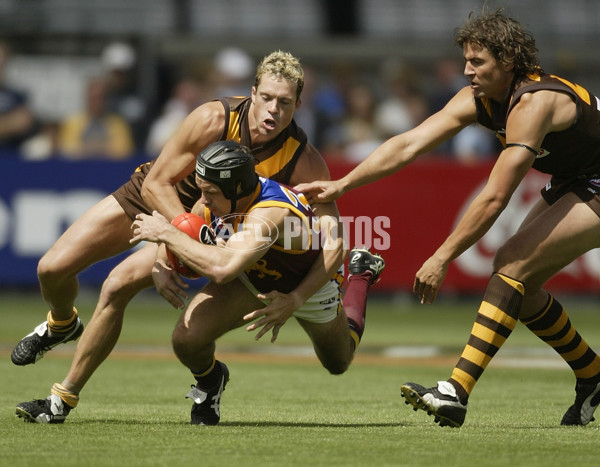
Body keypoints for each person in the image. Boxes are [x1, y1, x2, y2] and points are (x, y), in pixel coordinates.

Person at [13, 50, 385, 423]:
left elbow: (333, 240)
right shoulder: (213, 118)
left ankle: (64, 399)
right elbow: (158, 181)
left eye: (285, 103)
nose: (273, 110)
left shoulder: (302, 161)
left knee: (119, 284)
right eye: (267, 98)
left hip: (224, 230)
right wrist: (169, 246)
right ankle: (62, 325)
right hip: (167, 200)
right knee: (52, 268)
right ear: (252, 92)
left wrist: (294, 295)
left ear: (298, 104)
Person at [296, 9, 600, 428]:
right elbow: (408, 144)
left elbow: (494, 197)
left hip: (593, 180)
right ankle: (591, 372)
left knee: (511, 264)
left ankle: (455, 391)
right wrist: (342, 185)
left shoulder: (532, 103)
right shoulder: (481, 98)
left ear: (508, 61)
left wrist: (441, 258)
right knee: (520, 284)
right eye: (466, 60)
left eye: (477, 62)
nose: (466, 70)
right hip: (577, 177)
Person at [122, 141, 380, 424]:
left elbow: (223, 270)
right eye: (202, 189)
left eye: (211, 192)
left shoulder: (270, 214)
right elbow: (189, 220)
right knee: (187, 341)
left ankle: (361, 275)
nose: (204, 199)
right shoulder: (222, 196)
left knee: (338, 362)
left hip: (309, 282)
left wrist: (295, 299)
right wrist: (162, 257)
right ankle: (210, 384)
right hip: (253, 276)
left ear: (238, 190)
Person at [57, 76, 135, 160]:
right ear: (87, 98)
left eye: (101, 98)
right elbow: (68, 151)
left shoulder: (118, 125)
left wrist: (89, 148)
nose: (98, 103)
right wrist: (102, 148)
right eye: (94, 98)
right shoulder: (72, 123)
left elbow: (123, 152)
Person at [0, 41, 38, 153]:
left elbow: (25, 123)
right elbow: (17, 122)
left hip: (11, 159)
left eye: (2, 63)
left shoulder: (17, 96)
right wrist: (9, 124)